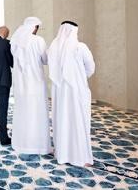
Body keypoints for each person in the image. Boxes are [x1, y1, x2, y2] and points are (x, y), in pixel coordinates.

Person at [48, 21, 95, 167]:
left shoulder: (53, 47)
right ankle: (80, 157)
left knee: (62, 120)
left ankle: (62, 153)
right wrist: (79, 77)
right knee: (77, 121)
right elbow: (91, 68)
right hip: (76, 91)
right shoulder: (80, 47)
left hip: (60, 92)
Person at [10, 17, 51, 154]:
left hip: (21, 84)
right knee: (37, 113)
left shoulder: (15, 41)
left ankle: (21, 143)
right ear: (35, 27)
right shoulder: (38, 41)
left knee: (23, 112)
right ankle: (37, 146)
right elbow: (45, 60)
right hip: (36, 83)